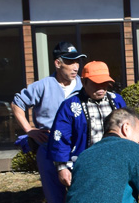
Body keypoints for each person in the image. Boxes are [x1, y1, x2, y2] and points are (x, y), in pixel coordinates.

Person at [12, 42, 85, 203]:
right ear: (58, 63)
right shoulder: (42, 86)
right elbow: (17, 103)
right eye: (70, 62)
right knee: (55, 198)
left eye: (77, 61)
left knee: (83, 195)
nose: (75, 66)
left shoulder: (85, 86)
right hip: (49, 149)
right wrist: (29, 129)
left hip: (80, 150)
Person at [47, 61, 126, 189]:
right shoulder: (70, 105)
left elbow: (127, 130)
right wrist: (62, 167)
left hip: (115, 163)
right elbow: (60, 136)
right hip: (83, 165)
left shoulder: (117, 101)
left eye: (105, 83)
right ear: (84, 82)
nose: (101, 88)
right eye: (96, 84)